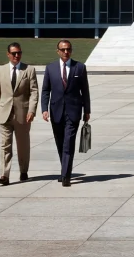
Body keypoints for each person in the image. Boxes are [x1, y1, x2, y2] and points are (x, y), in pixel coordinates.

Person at [40, 39, 91, 186]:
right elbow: (45, 90)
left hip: (73, 111)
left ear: (71, 50)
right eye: (63, 49)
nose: (66, 52)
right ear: (58, 51)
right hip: (56, 111)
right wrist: (44, 109)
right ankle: (64, 170)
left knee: (69, 142)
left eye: (68, 49)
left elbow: (85, 91)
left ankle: (66, 176)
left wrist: (87, 110)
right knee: (60, 143)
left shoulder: (79, 67)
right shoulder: (50, 68)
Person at [0, 42, 38, 185]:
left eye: (19, 53)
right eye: (14, 53)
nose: (17, 56)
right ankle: (4, 175)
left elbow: (34, 92)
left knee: (23, 145)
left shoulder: (29, 70)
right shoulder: (1, 71)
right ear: (8, 54)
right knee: (5, 145)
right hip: (4, 113)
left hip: (22, 114)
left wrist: (31, 110)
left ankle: (23, 170)